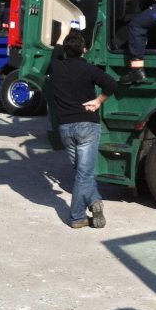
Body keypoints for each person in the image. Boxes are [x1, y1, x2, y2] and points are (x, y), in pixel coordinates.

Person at [48, 30, 118, 229]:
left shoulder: (55, 67)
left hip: (65, 129)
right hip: (87, 126)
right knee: (84, 174)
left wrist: (62, 32)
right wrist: (98, 101)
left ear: (66, 50)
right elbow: (112, 84)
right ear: (84, 50)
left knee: (81, 171)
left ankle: (94, 200)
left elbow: (56, 50)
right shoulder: (89, 69)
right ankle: (77, 216)